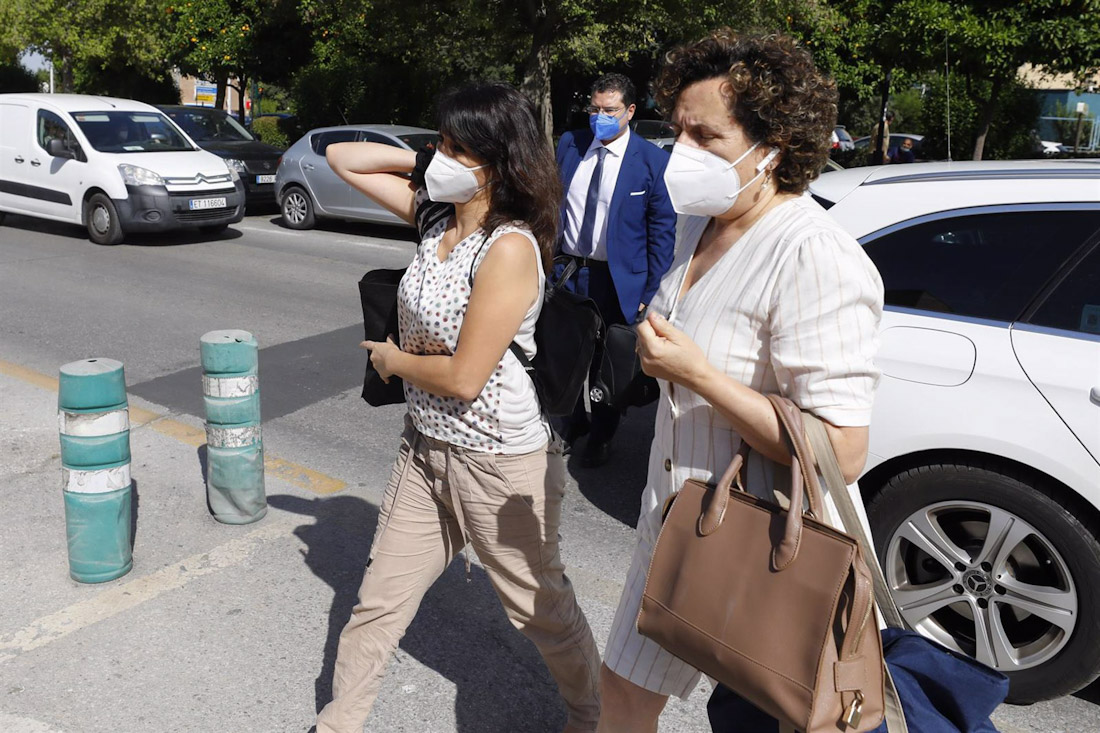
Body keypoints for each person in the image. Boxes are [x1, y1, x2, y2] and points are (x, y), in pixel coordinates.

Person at [595, 30, 885, 731]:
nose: (683, 150)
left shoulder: (814, 254)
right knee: (623, 691)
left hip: (771, 542)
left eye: (706, 135)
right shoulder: (700, 222)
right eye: (679, 129)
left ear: (773, 148)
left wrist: (697, 374)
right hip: (674, 514)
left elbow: (842, 450)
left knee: (782, 714)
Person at [317, 81, 601, 733]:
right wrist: (427, 158)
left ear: (496, 164)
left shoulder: (510, 247)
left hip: (498, 462)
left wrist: (393, 361)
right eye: (439, 143)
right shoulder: (434, 218)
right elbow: (342, 159)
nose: (439, 157)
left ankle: (596, 715)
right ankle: (338, 723)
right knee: (377, 604)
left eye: (455, 148)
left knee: (540, 610)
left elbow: (466, 376)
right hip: (425, 449)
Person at [555, 73, 677, 467]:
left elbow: (662, 234)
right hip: (569, 272)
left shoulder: (652, 161)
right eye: (595, 109)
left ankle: (602, 434)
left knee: (608, 361)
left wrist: (650, 293)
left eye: (610, 110)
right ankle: (572, 423)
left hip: (618, 280)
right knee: (565, 352)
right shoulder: (570, 145)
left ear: (630, 111)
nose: (600, 117)